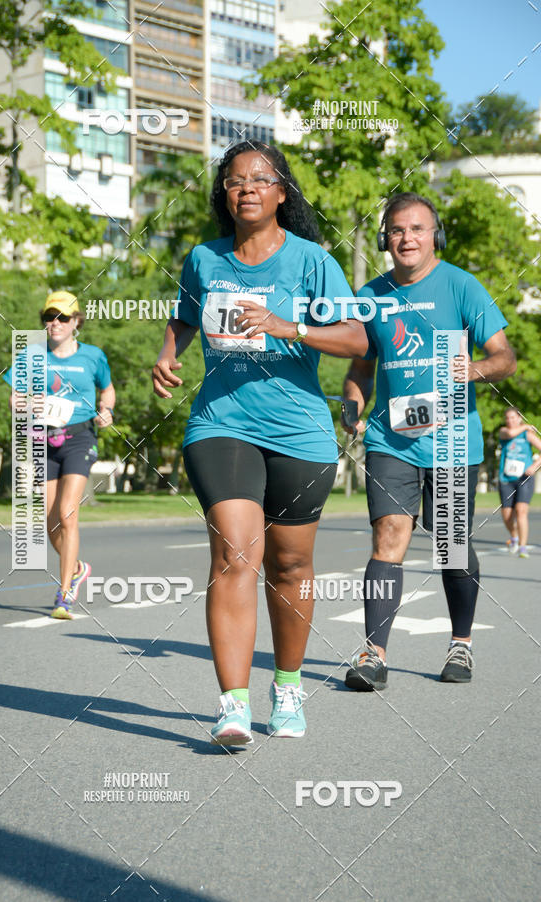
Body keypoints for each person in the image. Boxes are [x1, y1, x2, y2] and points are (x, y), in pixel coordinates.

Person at [152, 141, 367, 745]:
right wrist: (169, 354)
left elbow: (355, 338)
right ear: (224, 193)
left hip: (298, 427)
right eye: (234, 180)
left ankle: (289, 685)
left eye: (259, 179)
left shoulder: (310, 262)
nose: (246, 188)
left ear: (281, 193)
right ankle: (233, 704)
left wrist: (287, 326)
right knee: (235, 556)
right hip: (221, 422)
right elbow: (185, 316)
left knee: (291, 565)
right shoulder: (204, 258)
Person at [342, 191, 516, 689]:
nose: (406, 238)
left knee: (451, 546)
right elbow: (360, 367)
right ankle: (374, 653)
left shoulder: (461, 286)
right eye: (396, 230)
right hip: (390, 439)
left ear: (433, 235)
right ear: (384, 239)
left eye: (417, 229)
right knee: (389, 536)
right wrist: (352, 407)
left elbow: (505, 356)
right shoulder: (370, 296)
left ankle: (460, 645)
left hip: (453, 441)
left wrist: (477, 368)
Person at [5, 290, 115, 618]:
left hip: (80, 439)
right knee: (51, 522)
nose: (54, 323)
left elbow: (107, 389)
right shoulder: (31, 355)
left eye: (62, 317)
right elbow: (14, 399)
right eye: (48, 317)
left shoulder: (93, 356)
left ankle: (64, 594)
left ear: (76, 322)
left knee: (68, 513)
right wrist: (27, 403)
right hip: (43, 439)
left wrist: (106, 409)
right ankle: (78, 567)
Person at [498, 407, 541, 557]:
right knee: (507, 515)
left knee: (521, 511)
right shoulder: (503, 432)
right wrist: (527, 426)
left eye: (513, 418)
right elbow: (510, 433)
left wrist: (535, 466)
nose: (510, 421)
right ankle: (514, 536)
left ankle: (523, 547)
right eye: (508, 418)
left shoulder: (527, 435)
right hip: (506, 479)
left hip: (525, 479)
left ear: (519, 418)